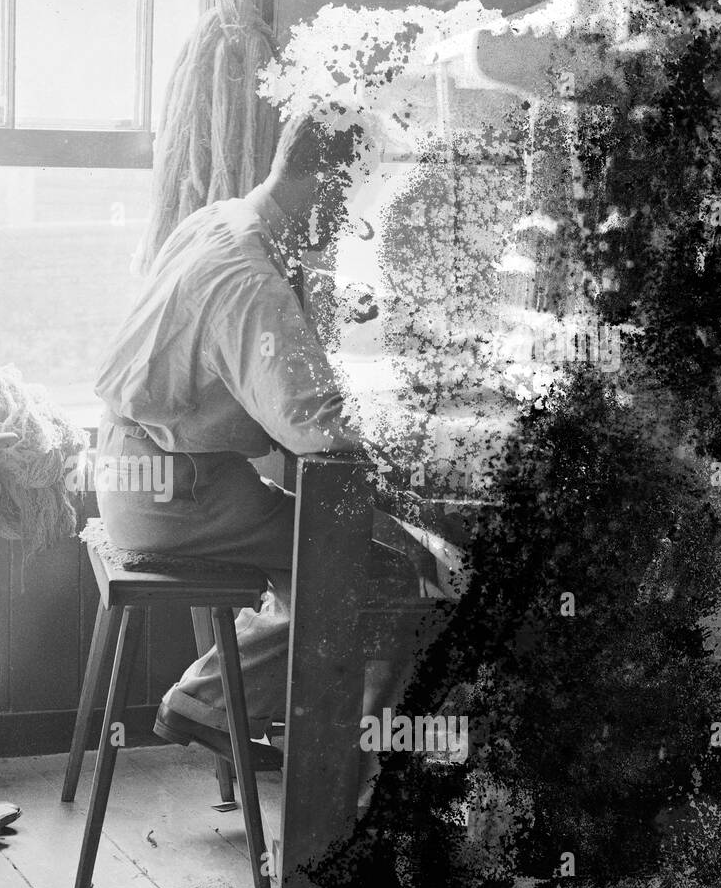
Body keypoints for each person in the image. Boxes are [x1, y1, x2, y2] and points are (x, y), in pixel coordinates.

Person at [94, 113, 461, 772]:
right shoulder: (251, 278)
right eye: (353, 197)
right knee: (384, 574)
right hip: (177, 494)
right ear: (325, 181)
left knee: (323, 554)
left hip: (134, 468)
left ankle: (239, 709)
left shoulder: (220, 222)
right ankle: (329, 767)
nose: (351, 219)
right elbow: (321, 434)